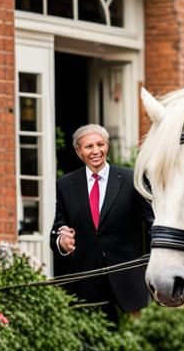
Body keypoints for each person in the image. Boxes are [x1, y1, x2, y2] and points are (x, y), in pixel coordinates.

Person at [50, 123, 153, 322]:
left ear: (107, 146)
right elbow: (57, 228)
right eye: (89, 146)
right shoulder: (65, 185)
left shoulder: (131, 180)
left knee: (133, 346)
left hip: (129, 287)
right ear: (78, 151)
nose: (96, 151)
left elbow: (152, 223)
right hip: (85, 288)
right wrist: (61, 242)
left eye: (100, 144)